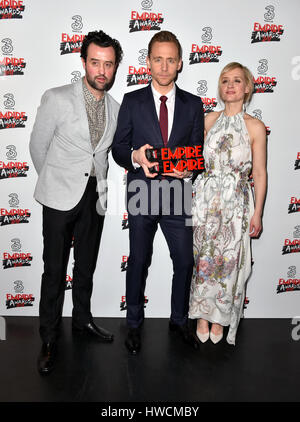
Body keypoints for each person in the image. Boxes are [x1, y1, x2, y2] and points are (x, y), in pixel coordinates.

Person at [29, 30, 123, 374]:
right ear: (83, 62)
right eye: (95, 62)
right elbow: (37, 148)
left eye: (108, 64)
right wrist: (55, 183)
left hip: (95, 199)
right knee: (54, 271)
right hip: (58, 197)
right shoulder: (56, 98)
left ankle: (82, 321)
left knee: (85, 267)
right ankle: (49, 338)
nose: (101, 70)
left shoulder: (116, 108)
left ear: (115, 68)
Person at [112, 31, 204, 354]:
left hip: (178, 193)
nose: (164, 66)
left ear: (180, 63)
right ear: (148, 62)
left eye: (170, 60)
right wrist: (135, 156)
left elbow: (196, 151)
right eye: (157, 59)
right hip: (142, 190)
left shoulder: (194, 104)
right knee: (138, 261)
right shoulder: (132, 101)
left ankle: (179, 320)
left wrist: (190, 167)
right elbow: (119, 148)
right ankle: (134, 324)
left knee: (184, 261)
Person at [189, 62, 267, 345]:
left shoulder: (255, 126)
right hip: (206, 201)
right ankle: (201, 314)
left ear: (247, 88)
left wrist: (257, 212)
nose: (230, 85)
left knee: (229, 263)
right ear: (220, 89)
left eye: (236, 81)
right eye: (225, 81)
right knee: (203, 259)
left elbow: (258, 173)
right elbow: (193, 162)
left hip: (236, 203)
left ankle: (220, 318)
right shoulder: (207, 120)